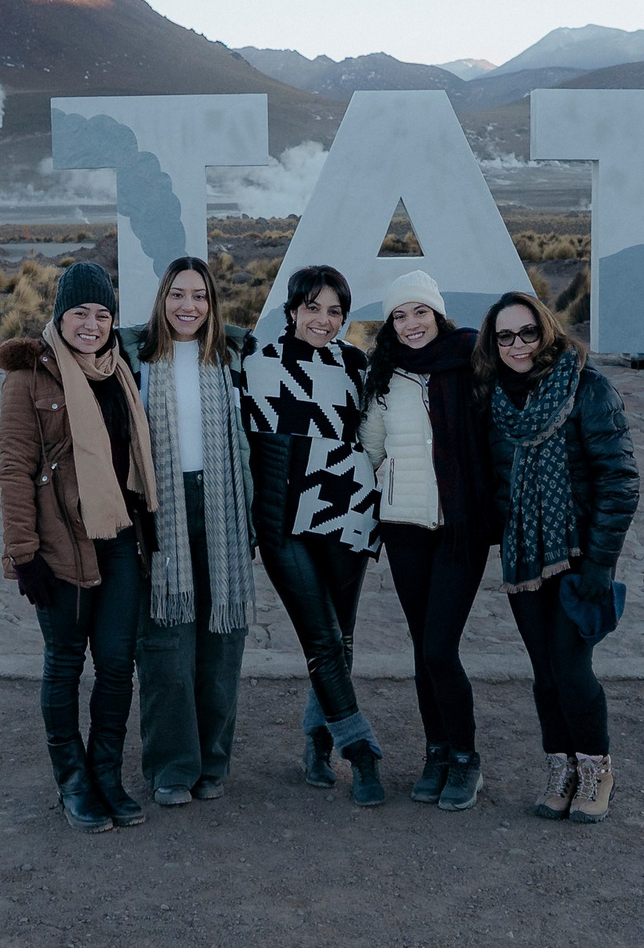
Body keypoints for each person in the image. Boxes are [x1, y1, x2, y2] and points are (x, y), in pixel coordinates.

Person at [0, 261, 157, 833]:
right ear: (59, 316)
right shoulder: (28, 378)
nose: (91, 325)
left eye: (102, 314)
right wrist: (24, 552)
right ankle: (72, 780)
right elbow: (15, 469)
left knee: (117, 665)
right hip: (62, 547)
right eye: (80, 313)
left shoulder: (119, 371)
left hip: (119, 542)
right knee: (65, 663)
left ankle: (106, 774)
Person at [479, 289, 639, 824]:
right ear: (493, 343)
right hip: (525, 559)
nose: (518, 344)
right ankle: (561, 766)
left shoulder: (588, 389)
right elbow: (495, 485)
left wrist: (599, 564)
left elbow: (619, 482)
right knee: (544, 674)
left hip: (577, 558)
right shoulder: (497, 401)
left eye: (527, 332)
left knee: (571, 671)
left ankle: (597, 769)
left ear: (546, 330)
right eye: (505, 336)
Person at [242, 264, 388, 805]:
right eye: (312, 308)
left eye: (334, 311)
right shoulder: (253, 362)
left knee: (340, 639)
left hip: (346, 515)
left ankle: (317, 743)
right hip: (284, 522)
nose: (323, 320)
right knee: (321, 639)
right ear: (292, 310)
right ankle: (362, 751)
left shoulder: (356, 364)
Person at [359, 268, 501, 811]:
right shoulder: (386, 373)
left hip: (459, 530)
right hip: (404, 528)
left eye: (420, 311)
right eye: (399, 315)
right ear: (390, 323)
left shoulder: (472, 361)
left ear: (438, 314)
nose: (411, 323)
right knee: (423, 649)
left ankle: (466, 758)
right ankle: (436, 751)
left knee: (441, 647)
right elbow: (371, 445)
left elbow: (494, 435)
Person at [121, 256, 258, 807]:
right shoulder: (133, 355)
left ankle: (212, 761)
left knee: (221, 642)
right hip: (162, 508)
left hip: (222, 504)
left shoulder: (235, 355)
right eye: (178, 295)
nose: (189, 306)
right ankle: (172, 766)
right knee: (165, 644)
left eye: (199, 296)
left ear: (212, 303)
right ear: (162, 298)